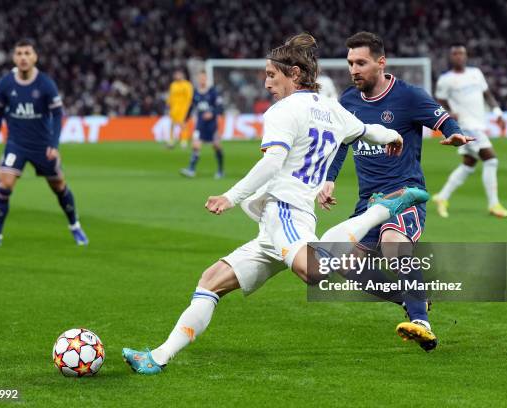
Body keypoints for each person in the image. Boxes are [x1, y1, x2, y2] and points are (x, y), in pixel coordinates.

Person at [122, 33, 428, 375]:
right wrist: (394, 136)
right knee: (211, 281)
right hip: (277, 223)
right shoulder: (332, 109)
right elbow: (371, 131)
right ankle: (158, 358)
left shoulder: (283, 111)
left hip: (285, 209)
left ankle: (382, 209)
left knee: (314, 271)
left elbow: (272, 162)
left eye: (272, 75)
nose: (267, 84)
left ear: (294, 74)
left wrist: (230, 196)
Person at [319, 32, 473, 351]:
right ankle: (411, 298)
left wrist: (455, 134)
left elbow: (443, 119)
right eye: (350, 63)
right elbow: (341, 144)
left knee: (393, 244)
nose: (354, 69)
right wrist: (330, 179)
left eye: (361, 62)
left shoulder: (409, 96)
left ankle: (421, 321)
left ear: (380, 62)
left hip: (405, 194)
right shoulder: (348, 101)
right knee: (342, 263)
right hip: (368, 202)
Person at [0, 39, 88, 249]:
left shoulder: (46, 84)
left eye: (27, 53)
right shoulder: (5, 83)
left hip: (42, 146)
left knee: (59, 186)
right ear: (14, 58)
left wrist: (54, 144)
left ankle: (75, 226)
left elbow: (58, 115)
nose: (23, 57)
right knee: (4, 184)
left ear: (34, 57)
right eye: (19, 53)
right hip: (16, 144)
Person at [432, 44, 507, 218]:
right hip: (465, 125)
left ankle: (442, 197)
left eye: (461, 53)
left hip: (479, 123)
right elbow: (439, 101)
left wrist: (497, 113)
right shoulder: (446, 79)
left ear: (466, 56)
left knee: (469, 163)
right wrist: (448, 112)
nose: (459, 56)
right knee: (491, 160)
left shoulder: (476, 74)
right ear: (450, 57)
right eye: (455, 53)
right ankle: (494, 204)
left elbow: (487, 94)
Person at [180, 71, 225, 179]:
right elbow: (191, 108)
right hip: (200, 124)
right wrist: (185, 120)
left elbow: (220, 107)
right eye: (200, 78)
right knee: (195, 145)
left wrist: (212, 113)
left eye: (204, 78)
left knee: (216, 146)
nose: (202, 80)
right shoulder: (195, 92)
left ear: (206, 79)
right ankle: (191, 169)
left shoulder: (213, 92)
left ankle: (220, 170)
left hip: (212, 125)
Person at [166, 69, 194, 148]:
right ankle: (171, 140)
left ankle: (184, 140)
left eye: (179, 74)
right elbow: (170, 96)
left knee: (183, 124)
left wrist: (188, 107)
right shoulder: (173, 85)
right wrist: (168, 105)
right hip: (174, 108)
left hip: (183, 108)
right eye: (176, 74)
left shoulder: (187, 85)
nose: (177, 76)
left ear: (182, 75)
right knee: (172, 124)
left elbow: (189, 97)